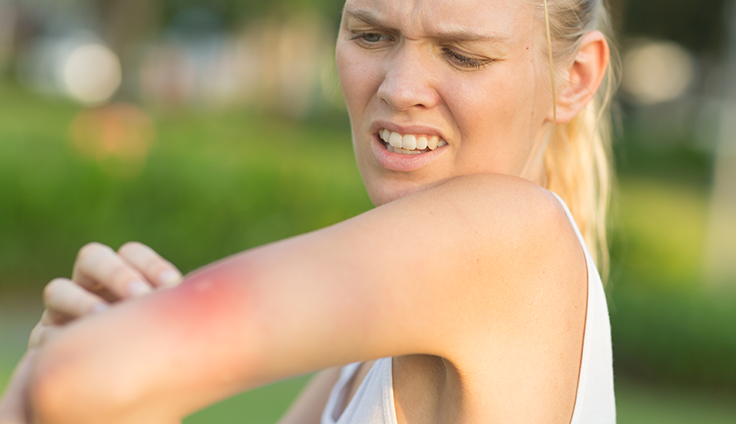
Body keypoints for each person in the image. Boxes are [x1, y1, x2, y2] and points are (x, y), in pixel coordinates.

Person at [0, 0, 617, 422]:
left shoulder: (510, 234)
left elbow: (72, 378)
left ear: (575, 78)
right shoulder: (372, 354)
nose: (400, 88)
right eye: (372, 35)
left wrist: (69, 370)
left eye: (463, 55)